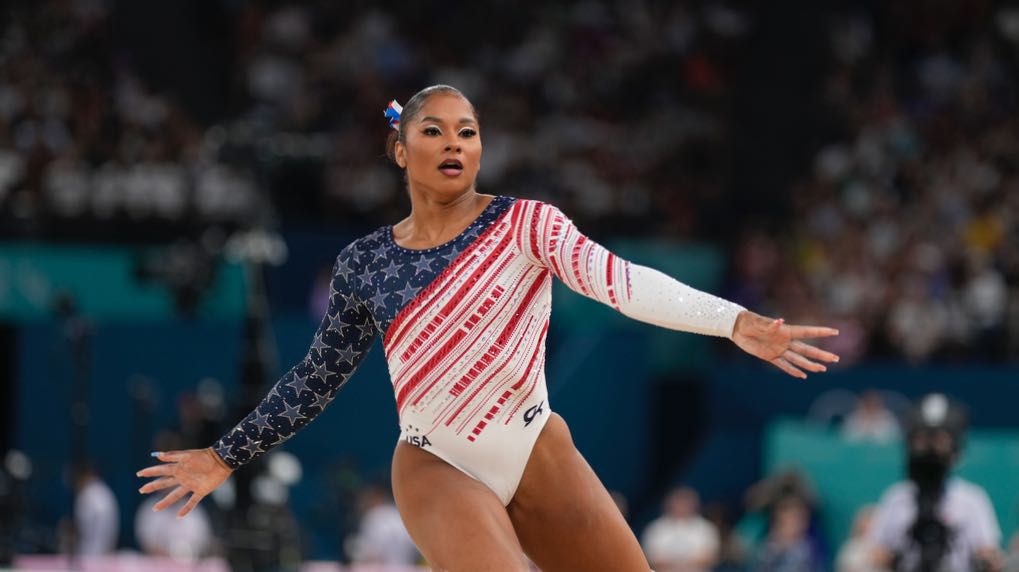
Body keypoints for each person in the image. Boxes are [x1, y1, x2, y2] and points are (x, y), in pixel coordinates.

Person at [138, 85, 840, 571]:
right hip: (438, 464)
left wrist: (732, 322)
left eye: (467, 131)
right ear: (399, 152)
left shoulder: (526, 224)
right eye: (433, 131)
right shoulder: (367, 263)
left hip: (537, 447)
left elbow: (621, 284)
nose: (453, 143)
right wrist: (226, 454)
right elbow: (316, 379)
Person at [868, 393, 1002, 571]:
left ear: (955, 449)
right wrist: (895, 555)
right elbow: (876, 551)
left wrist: (983, 560)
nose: (930, 450)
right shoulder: (897, 497)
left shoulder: (972, 499)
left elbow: (989, 552)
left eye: (939, 441)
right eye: (923, 441)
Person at [641, 486, 719, 572]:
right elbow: (652, 558)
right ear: (669, 504)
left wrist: (675, 561)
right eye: (679, 502)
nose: (682, 506)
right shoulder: (655, 528)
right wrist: (686, 562)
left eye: (686, 502)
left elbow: (708, 558)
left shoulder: (706, 528)